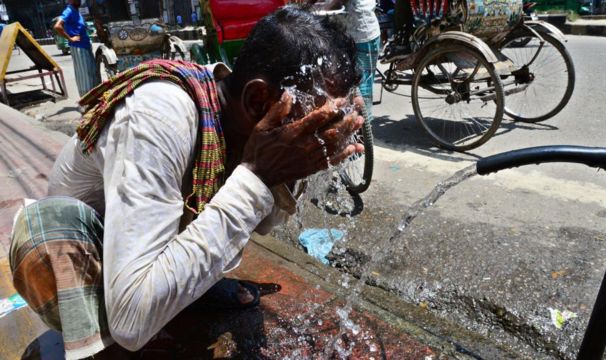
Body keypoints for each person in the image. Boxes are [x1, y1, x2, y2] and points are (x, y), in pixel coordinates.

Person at [10, 6, 363, 359]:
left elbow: (263, 223)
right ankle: (103, 340)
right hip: (81, 260)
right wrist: (258, 176)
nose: (327, 132)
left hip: (143, 243)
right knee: (59, 245)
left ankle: (182, 296)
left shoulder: (233, 122)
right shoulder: (160, 116)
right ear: (258, 101)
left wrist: (288, 170)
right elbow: (130, 323)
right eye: (321, 119)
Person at [312, 0, 380, 125]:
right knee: (345, 85)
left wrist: (321, 9)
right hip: (345, 33)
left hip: (363, 34)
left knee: (363, 89)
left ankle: (364, 130)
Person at [54, 0, 99, 97]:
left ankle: (94, 99)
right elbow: (57, 26)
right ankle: (87, 101)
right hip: (79, 48)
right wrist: (70, 38)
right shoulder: (69, 11)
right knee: (85, 77)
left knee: (92, 74)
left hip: (85, 46)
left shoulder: (76, 11)